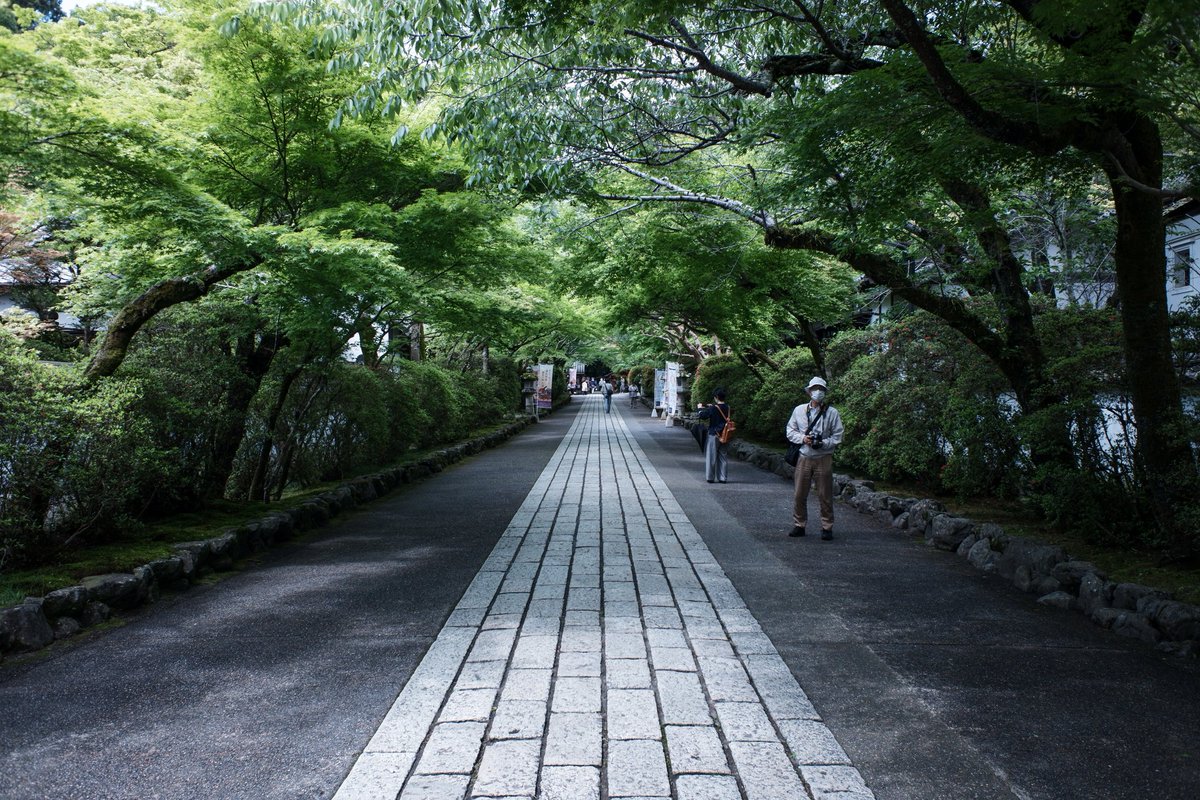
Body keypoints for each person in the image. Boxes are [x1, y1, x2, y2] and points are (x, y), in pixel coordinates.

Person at [785, 376, 844, 540]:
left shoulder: (832, 413)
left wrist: (823, 443)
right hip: (804, 456)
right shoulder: (799, 410)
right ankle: (799, 524)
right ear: (809, 391)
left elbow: (838, 436)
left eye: (821, 389)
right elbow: (790, 431)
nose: (818, 392)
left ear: (825, 392)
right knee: (799, 494)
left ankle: (827, 526)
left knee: (825, 495)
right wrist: (803, 439)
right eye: (815, 389)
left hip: (823, 457)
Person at [696, 388, 732, 484]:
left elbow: (702, 416)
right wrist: (712, 407)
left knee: (711, 457)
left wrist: (699, 408)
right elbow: (721, 413)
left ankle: (710, 477)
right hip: (725, 435)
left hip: (714, 434)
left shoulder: (713, 408)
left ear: (716, 397)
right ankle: (723, 478)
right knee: (723, 457)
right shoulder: (728, 407)